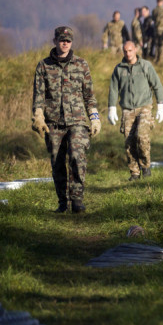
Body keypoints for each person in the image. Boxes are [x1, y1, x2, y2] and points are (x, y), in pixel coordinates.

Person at [31, 26, 101, 213]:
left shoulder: (81, 64)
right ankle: (63, 202)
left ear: (72, 42)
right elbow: (38, 96)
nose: (65, 43)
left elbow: (89, 96)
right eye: (62, 40)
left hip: (77, 121)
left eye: (68, 41)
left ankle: (77, 199)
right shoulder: (43, 66)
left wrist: (94, 118)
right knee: (57, 161)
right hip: (53, 122)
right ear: (55, 41)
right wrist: (38, 116)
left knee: (77, 156)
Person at [107, 40, 163, 180]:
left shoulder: (145, 66)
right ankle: (134, 172)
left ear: (135, 50)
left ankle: (145, 166)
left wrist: (161, 106)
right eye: (125, 51)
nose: (128, 54)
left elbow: (157, 85)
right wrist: (111, 108)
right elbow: (114, 89)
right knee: (129, 142)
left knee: (141, 136)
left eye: (130, 50)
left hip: (144, 106)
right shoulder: (119, 69)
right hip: (127, 109)